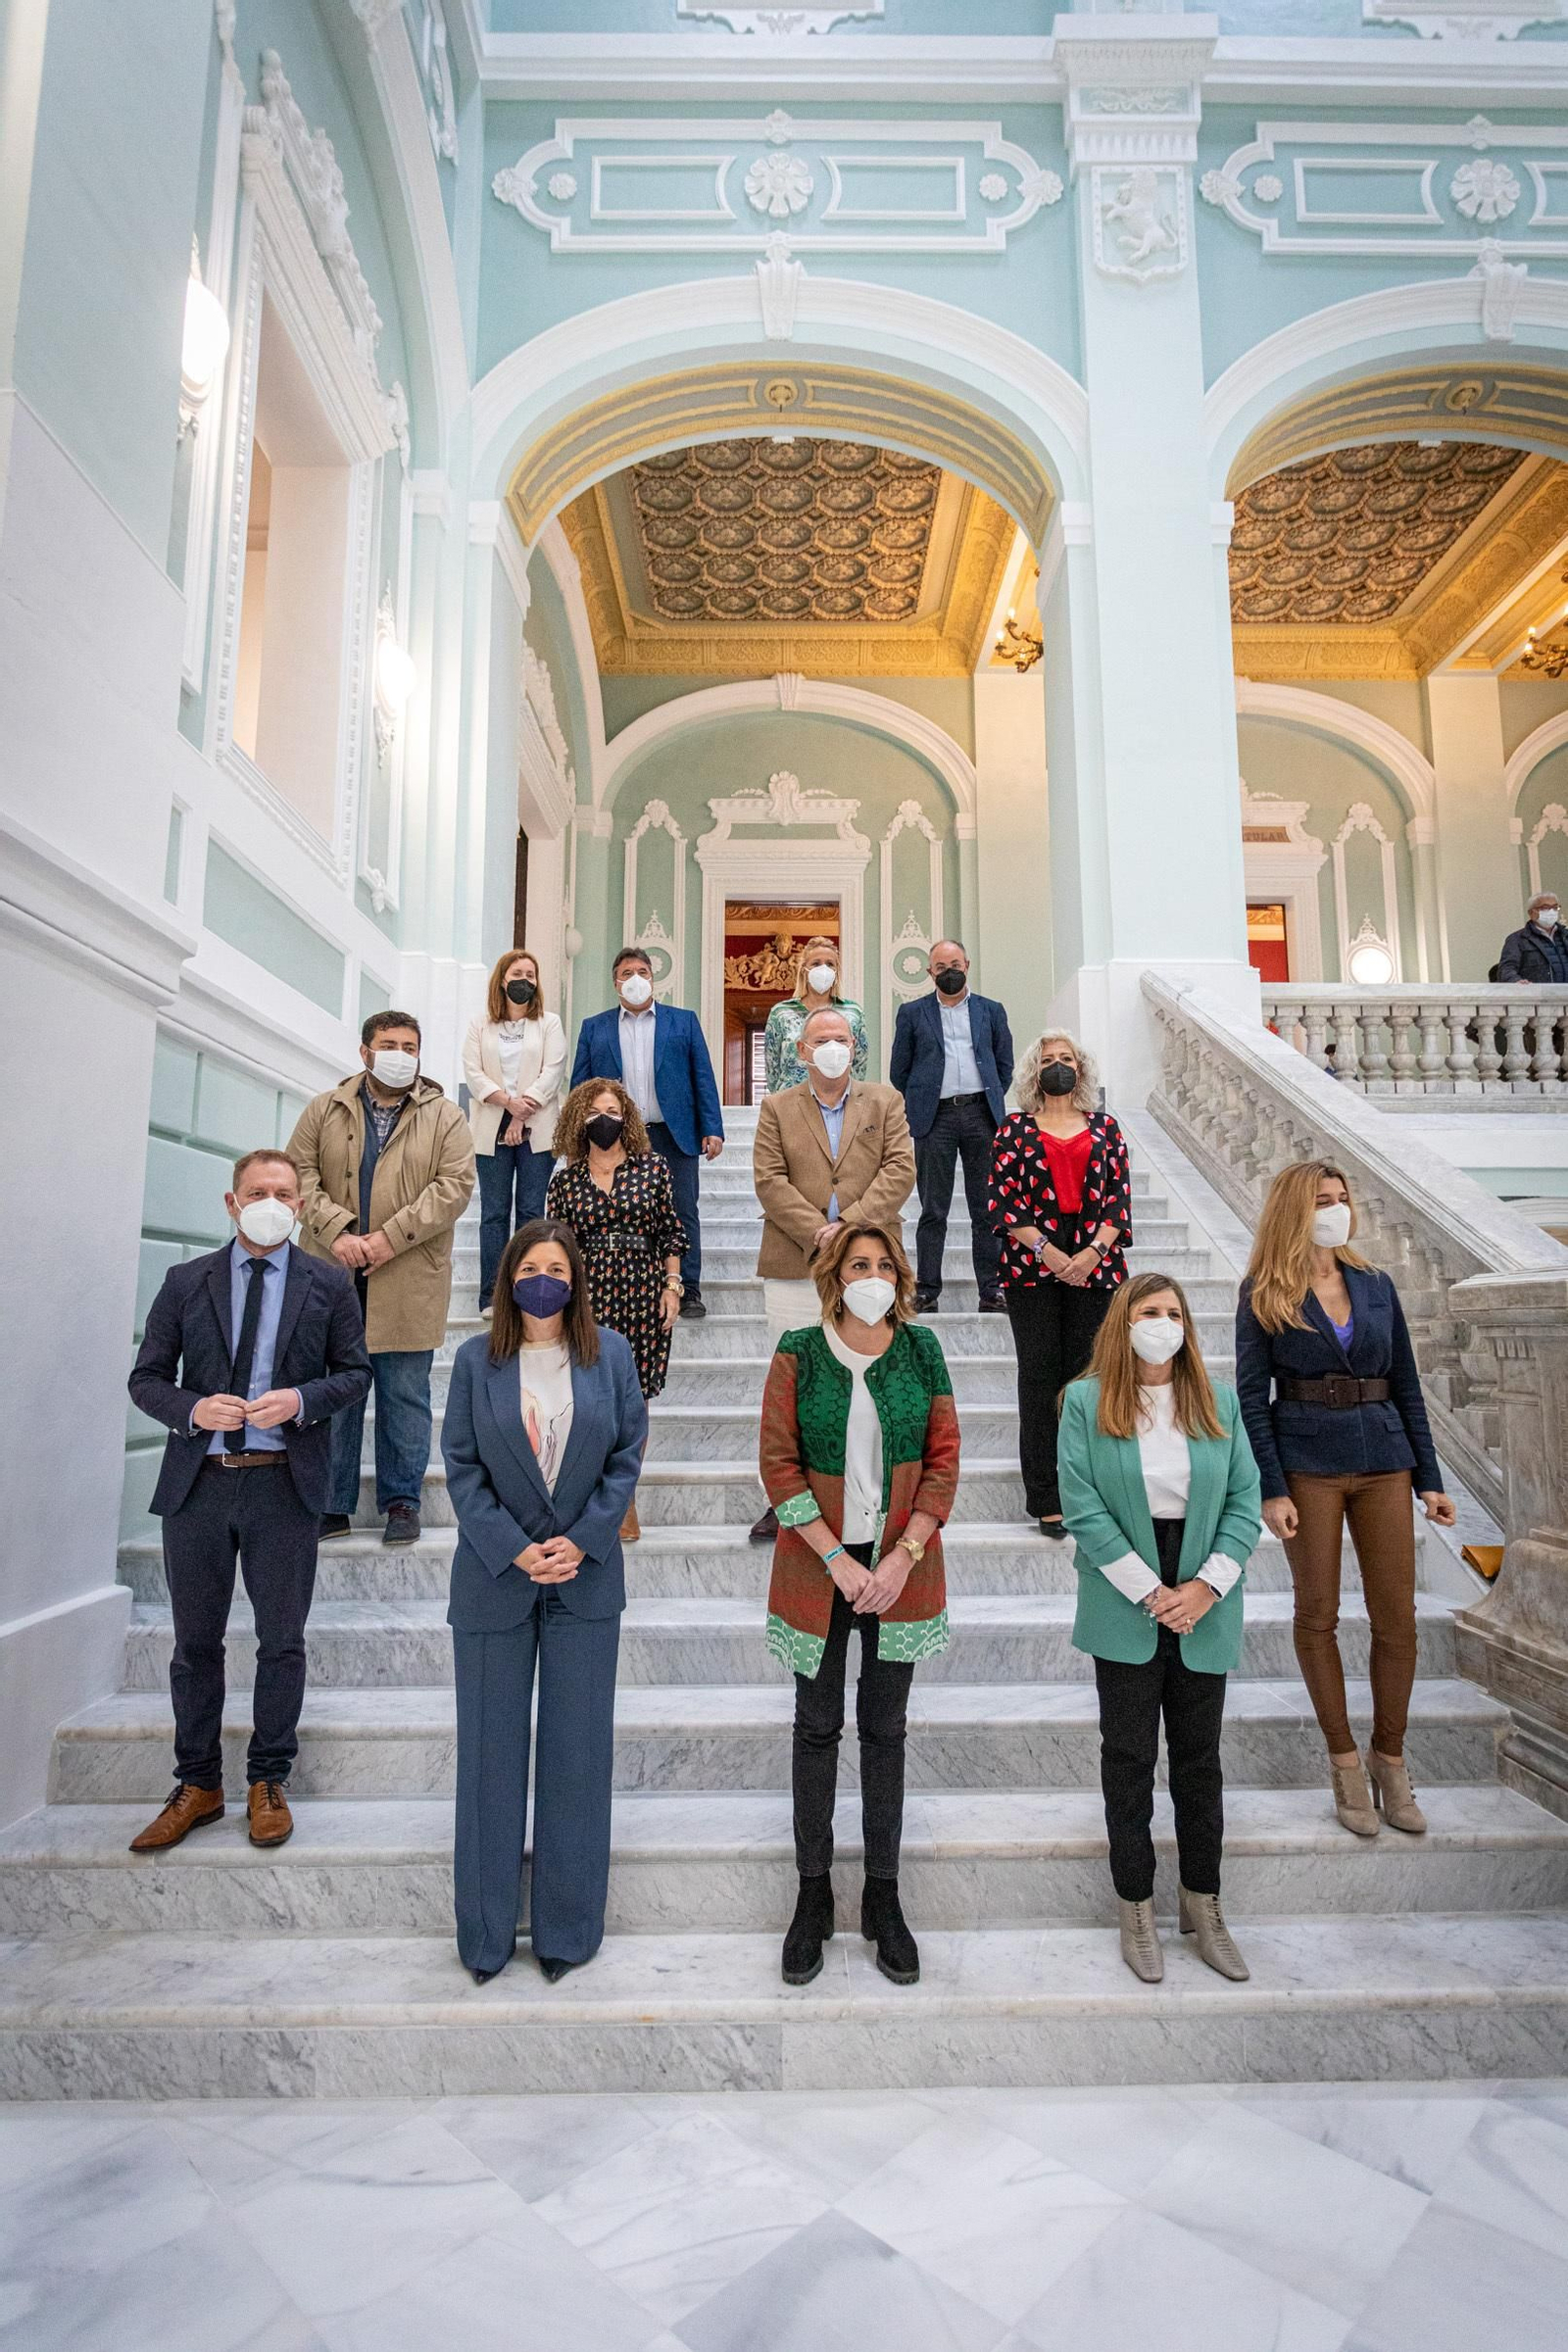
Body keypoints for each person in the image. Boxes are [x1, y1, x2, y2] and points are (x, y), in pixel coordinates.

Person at [124, 1151, 370, 1853]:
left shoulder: (327, 1283)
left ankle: (268, 1779)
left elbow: (354, 1375)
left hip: (282, 1484)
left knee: (281, 1640)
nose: (272, 1201)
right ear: (232, 1204)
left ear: (300, 1205)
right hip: (198, 1485)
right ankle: (198, 1783)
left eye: (284, 1193)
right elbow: (146, 1378)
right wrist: (194, 1409)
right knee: (194, 1644)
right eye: (258, 1191)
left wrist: (299, 1400)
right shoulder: (184, 1282)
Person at [442, 1219, 646, 1984]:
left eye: (557, 1266)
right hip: (495, 1578)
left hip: (584, 1578)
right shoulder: (475, 1361)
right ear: (509, 1278)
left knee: (576, 1758)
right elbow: (461, 1467)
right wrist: (513, 1546)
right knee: (490, 1760)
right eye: (531, 1266)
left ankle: (566, 1933)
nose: (544, 1278)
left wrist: (586, 1538)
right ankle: (487, 1936)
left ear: (575, 1279)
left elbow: (625, 1455)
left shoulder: (611, 1356)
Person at [759, 1220, 959, 1989]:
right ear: (834, 1277)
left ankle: (883, 1895)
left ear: (900, 1274)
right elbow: (779, 1465)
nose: (871, 1276)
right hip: (820, 1571)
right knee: (816, 1729)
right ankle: (813, 1896)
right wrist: (838, 1559)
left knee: (885, 1731)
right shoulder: (799, 1354)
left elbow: (943, 1462)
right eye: (857, 1264)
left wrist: (903, 1554)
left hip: (900, 1574)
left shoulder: (922, 1351)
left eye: (883, 1264)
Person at [1235, 1159, 1457, 1840]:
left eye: (1341, 1199)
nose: (1335, 1209)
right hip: (1308, 1466)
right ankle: (1344, 1762)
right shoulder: (1262, 1292)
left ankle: (1391, 1759)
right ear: (1293, 1213)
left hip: (1385, 1459)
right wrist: (1272, 1486)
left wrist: (1431, 1477)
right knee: (1319, 1613)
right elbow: (1251, 1397)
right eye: (1321, 1201)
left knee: (1398, 1617)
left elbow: (1408, 1384)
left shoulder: (1376, 1285)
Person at [1058, 1273, 1262, 1985]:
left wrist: (1205, 1587)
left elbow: (1244, 1502)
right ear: (1124, 1321)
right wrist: (1153, 1592)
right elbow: (1081, 1507)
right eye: (1150, 1311)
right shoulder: (1084, 1402)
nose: (1163, 1323)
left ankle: (1203, 1906)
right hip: (1127, 1590)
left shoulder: (1219, 1402)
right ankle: (1136, 1904)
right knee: (1130, 1759)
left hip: (1204, 1586)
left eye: (1174, 1312)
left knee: (1200, 1763)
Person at [288, 1010, 475, 1546]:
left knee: (404, 1396)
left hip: (409, 1271)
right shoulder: (325, 1109)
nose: (401, 1054)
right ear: (366, 1051)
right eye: (389, 1044)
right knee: (336, 1394)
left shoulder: (444, 1116)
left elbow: (454, 1186)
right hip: (333, 1271)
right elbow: (298, 1174)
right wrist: (339, 1232)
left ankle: (401, 1502)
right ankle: (330, 1504)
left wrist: (389, 1238)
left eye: (410, 1046)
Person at [749, 1005, 916, 1541]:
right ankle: (786, 1501)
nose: (832, 1046)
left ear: (854, 1046)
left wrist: (847, 1228)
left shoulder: (885, 1101)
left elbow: (900, 1169)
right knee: (794, 1385)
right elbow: (769, 1180)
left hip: (873, 1266)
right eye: (822, 1038)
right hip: (794, 1262)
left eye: (841, 1038)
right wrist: (819, 1233)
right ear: (801, 1050)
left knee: (875, 1382)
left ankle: (874, 1496)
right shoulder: (776, 1106)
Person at [986, 1032, 1132, 1538]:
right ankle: (1046, 1496)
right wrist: (1049, 1252)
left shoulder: (1107, 1128)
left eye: (1066, 1059)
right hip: (1032, 1267)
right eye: (1048, 1060)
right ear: (1034, 1072)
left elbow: (1118, 1198)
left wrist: (1090, 1253)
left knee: (1090, 1383)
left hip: (1098, 1265)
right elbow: (1003, 1202)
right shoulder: (1014, 1129)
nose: (1057, 1066)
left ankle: (1090, 1490)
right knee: (1040, 1380)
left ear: (1081, 1068)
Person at [546, 1078, 685, 1542]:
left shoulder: (654, 1168)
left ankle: (623, 1498)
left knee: (633, 1400)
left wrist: (672, 1285)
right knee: (587, 1395)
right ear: (577, 1120)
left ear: (626, 1117)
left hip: (642, 1289)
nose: (603, 1118)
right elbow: (555, 1246)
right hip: (587, 1294)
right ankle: (589, 1493)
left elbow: (669, 1230)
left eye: (611, 1109)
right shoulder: (565, 1179)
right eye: (593, 1111)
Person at [570, 948, 723, 1320]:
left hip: (675, 1132)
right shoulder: (595, 1027)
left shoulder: (682, 1022)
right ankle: (635, 1283)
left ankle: (688, 1289)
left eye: (642, 971)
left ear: (653, 978)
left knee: (683, 1210)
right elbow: (581, 1086)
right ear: (615, 982)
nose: (635, 978)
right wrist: (578, 1137)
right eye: (626, 972)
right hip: (617, 1136)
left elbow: (702, 1075)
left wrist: (712, 1128)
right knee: (625, 1212)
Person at [889, 937, 1013, 1314]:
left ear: (967, 966)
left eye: (955, 965)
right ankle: (927, 1289)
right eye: (941, 967)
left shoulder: (991, 1011)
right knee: (933, 1210)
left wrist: (986, 1098)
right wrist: (923, 1098)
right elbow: (900, 1071)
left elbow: (1004, 1065)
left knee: (986, 1210)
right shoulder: (912, 1014)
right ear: (930, 973)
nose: (949, 972)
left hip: (981, 1116)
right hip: (934, 1118)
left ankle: (991, 1290)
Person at [463, 947, 567, 1311]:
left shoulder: (549, 1023)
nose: (524, 981)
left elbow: (553, 1071)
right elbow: (473, 1073)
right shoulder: (480, 1024)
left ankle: (528, 1290)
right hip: (491, 1126)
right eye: (517, 974)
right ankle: (491, 1293)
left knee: (529, 1212)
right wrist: (508, 1106)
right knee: (493, 1212)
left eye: (530, 976)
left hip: (537, 1128)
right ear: (502, 980)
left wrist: (522, 1115)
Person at [762, 935, 869, 1100]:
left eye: (830, 964)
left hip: (840, 1102)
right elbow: (772, 1070)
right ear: (805, 970)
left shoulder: (852, 1012)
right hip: (792, 1103)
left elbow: (859, 1066)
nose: (823, 969)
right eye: (816, 963)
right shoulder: (781, 1013)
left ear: (836, 972)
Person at [1497, 891, 1568, 984]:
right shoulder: (1518, 939)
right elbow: (1506, 969)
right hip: (1537, 995)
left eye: (1555, 908)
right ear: (1531, 913)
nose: (1551, 912)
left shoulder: (1565, 936)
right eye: (1545, 908)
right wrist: (1516, 981)